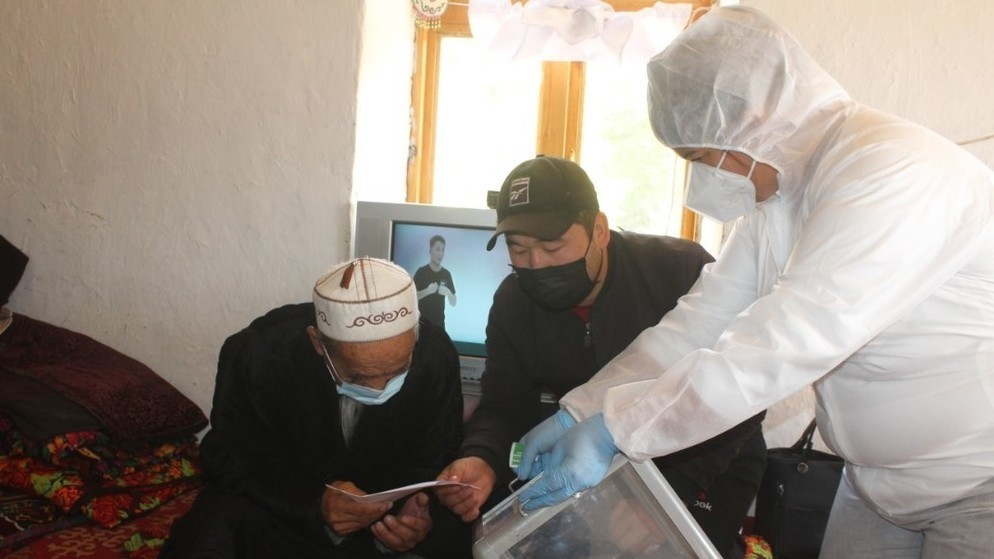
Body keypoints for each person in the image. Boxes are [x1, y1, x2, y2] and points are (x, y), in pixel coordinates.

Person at [514, 7, 994, 559]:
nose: (699, 181)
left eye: (699, 156)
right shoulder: (781, 200)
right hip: (876, 486)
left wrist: (616, 430)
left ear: (754, 117)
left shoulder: (890, 172)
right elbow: (696, 326)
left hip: (977, 483)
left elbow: (780, 345)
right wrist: (580, 409)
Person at [435, 155, 767, 559]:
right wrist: (482, 457)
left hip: (706, 459)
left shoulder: (680, 271)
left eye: (552, 247)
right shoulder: (513, 304)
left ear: (599, 230)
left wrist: (665, 493)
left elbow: (740, 399)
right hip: (593, 463)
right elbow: (504, 405)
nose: (536, 264)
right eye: (518, 249)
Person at [162, 257, 471, 559]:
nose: (380, 389)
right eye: (360, 377)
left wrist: (414, 515)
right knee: (215, 524)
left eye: (396, 371)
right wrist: (315, 503)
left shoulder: (435, 356)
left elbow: (436, 456)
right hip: (287, 514)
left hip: (381, 522)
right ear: (318, 343)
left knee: (463, 522)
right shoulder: (261, 355)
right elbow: (230, 457)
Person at [414, 235, 457, 331]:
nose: (440, 253)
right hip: (421, 326)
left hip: (439, 326)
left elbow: (453, 302)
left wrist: (448, 293)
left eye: (442, 250)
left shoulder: (446, 274)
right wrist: (428, 291)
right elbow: (412, 297)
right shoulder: (421, 272)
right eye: (437, 249)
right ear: (430, 251)